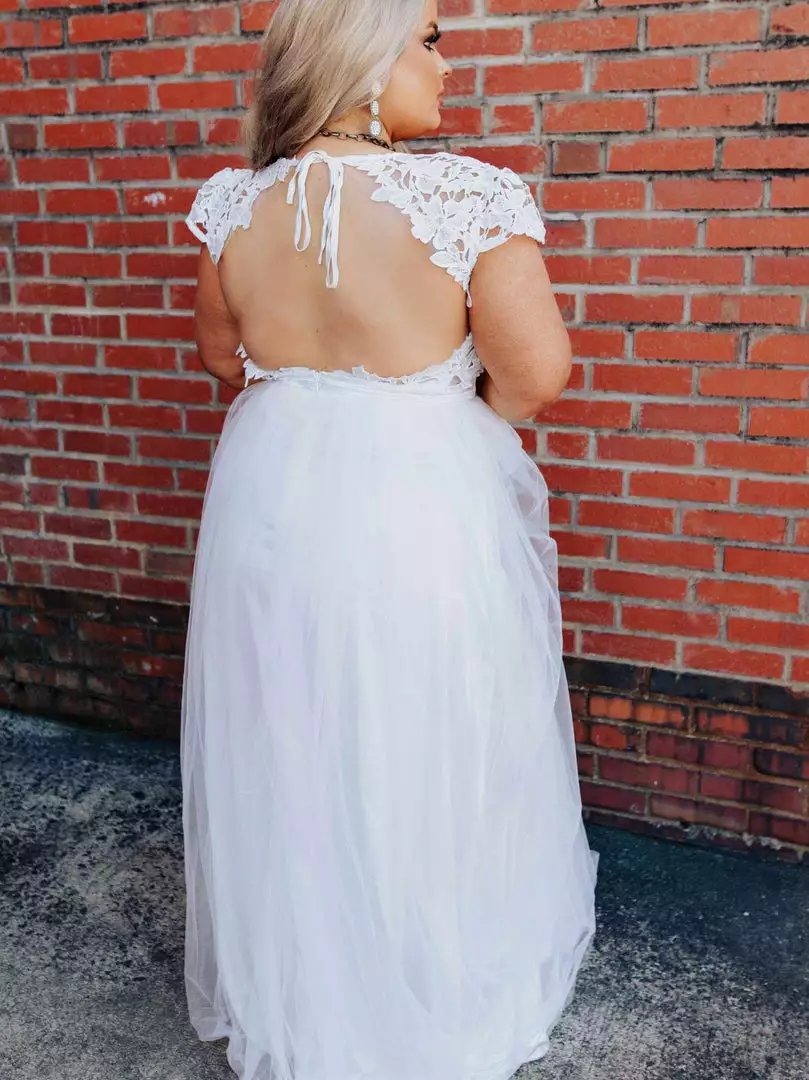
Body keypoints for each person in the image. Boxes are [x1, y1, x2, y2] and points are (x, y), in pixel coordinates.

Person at [180, 1, 599, 1078]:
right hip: (412, 498)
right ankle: (422, 983)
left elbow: (223, 361)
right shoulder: (469, 198)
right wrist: (437, 414)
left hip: (271, 501)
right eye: (429, 40)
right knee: (432, 726)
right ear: (363, 58)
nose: (446, 66)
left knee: (292, 733)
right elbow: (535, 375)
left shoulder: (231, 205)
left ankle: (312, 988)